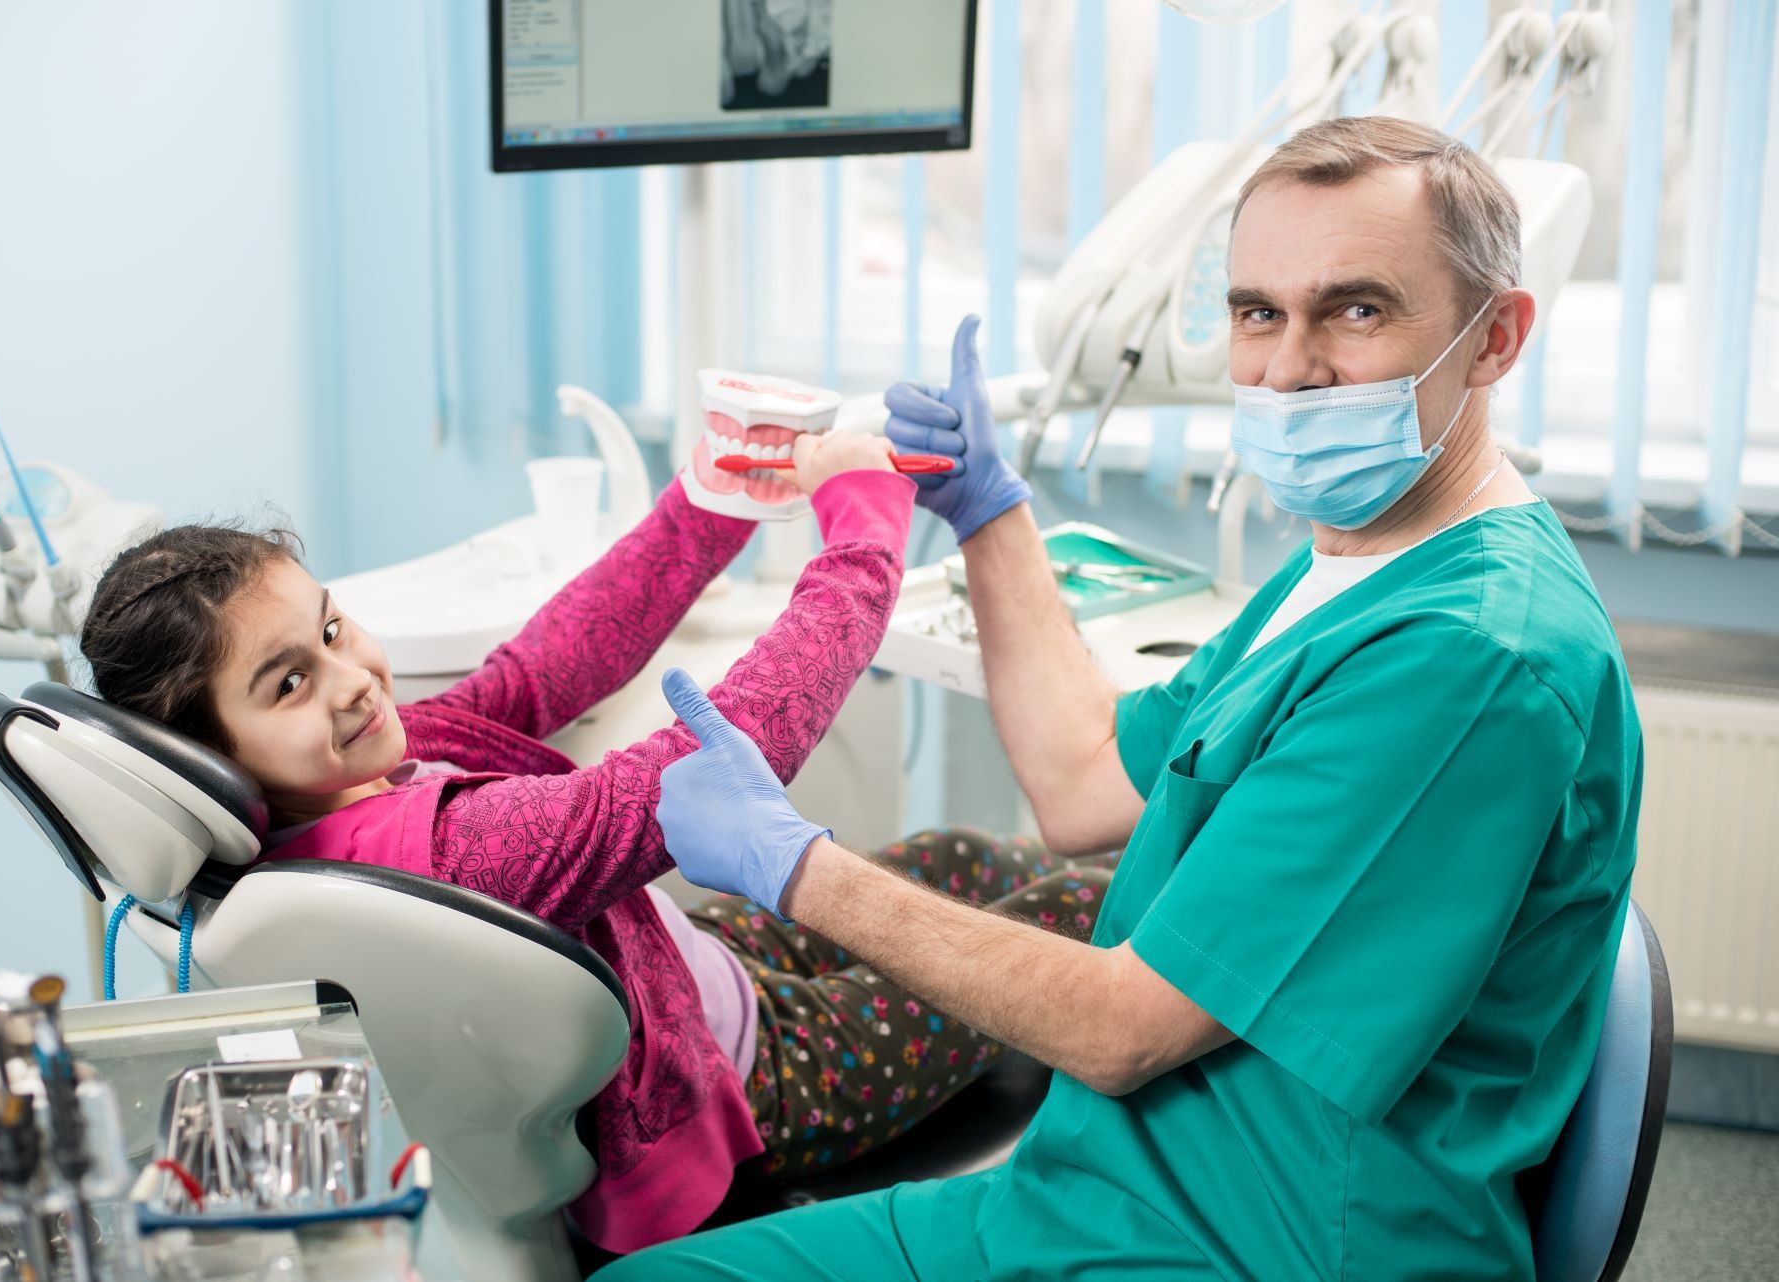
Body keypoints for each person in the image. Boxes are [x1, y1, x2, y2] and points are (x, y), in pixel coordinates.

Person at [610, 116, 1643, 1280]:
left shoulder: (1469, 661)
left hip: (1264, 1240)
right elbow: (1084, 776)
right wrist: (991, 513)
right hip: (1116, 1184)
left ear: (1495, 336)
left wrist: (795, 865)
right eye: (1260, 313)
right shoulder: (1355, 559)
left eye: (1354, 310)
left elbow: (1119, 1028)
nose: (1291, 367)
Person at [78, 431, 1107, 1254]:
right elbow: (736, 743)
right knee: (1073, 912)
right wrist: (863, 529)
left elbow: (545, 668)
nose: (349, 679)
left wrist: (706, 505)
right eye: (288, 682)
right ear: (214, 758)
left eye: (333, 628)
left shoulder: (349, 788)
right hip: (750, 1083)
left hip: (705, 979)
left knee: (966, 855)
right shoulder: (451, 851)